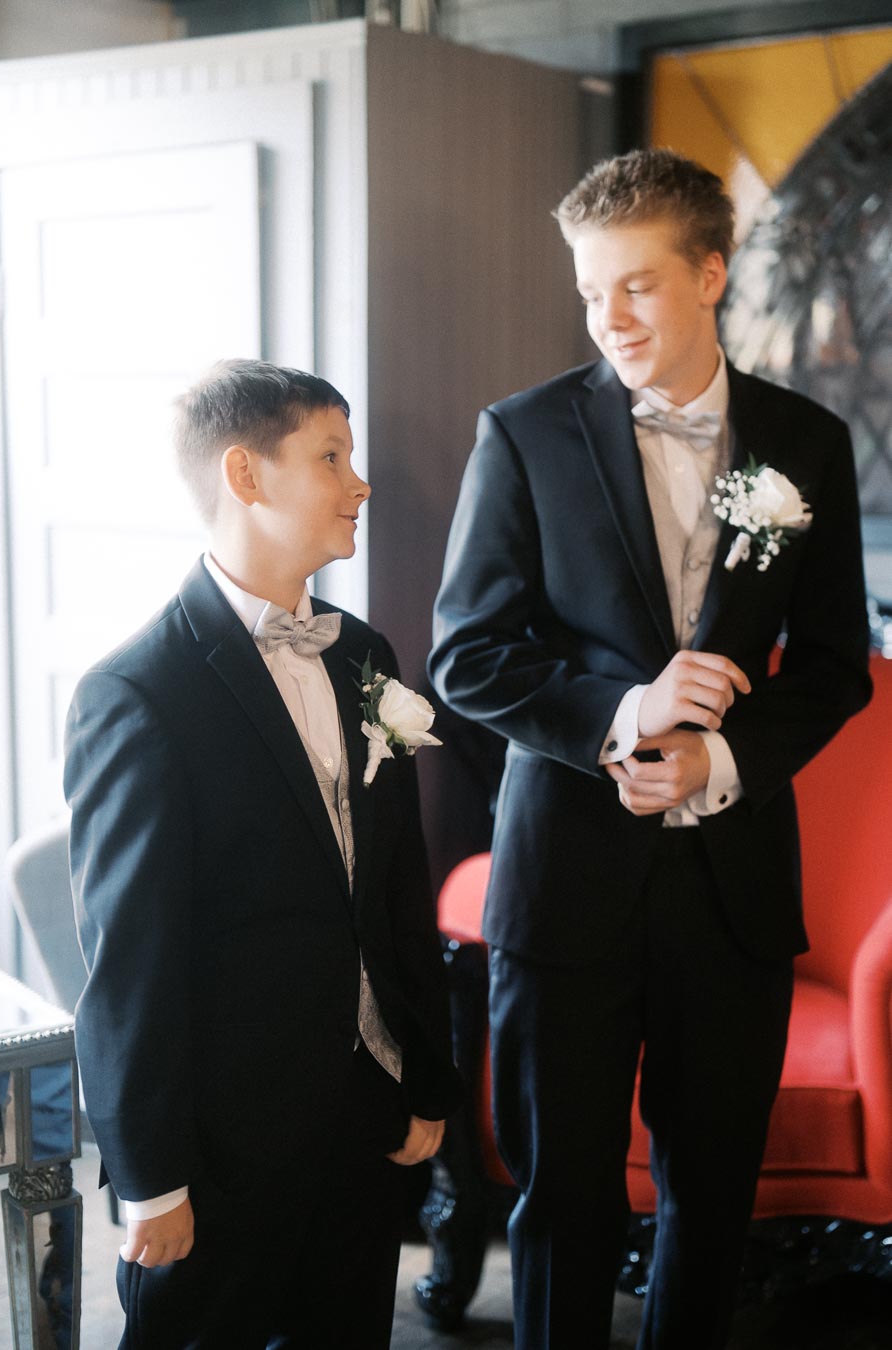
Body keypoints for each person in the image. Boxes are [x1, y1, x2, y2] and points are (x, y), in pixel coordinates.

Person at [428, 149, 872, 1350]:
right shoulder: (522, 434)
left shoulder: (806, 443)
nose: (609, 317)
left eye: (636, 285)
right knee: (561, 1202)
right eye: (590, 291)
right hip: (564, 883)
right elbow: (467, 656)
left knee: (711, 1204)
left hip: (733, 892)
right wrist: (624, 714)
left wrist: (717, 764)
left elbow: (834, 666)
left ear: (710, 274)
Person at [65, 358, 461, 1350]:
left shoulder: (364, 655)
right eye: (331, 457)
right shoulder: (137, 694)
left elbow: (398, 887)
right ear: (244, 474)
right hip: (223, 1143)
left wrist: (424, 1076)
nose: (359, 482)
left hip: (363, 1113)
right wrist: (152, 1176)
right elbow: (130, 963)